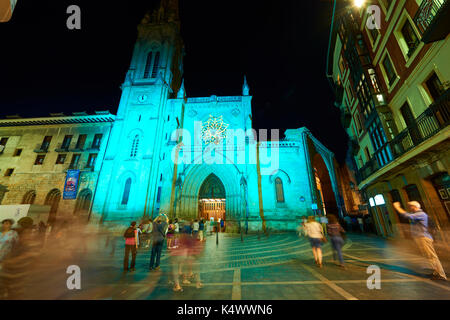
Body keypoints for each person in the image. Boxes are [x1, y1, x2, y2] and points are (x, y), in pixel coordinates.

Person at [393, 201, 447, 281]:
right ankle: (436, 272)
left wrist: (398, 207)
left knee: (432, 256)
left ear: (415, 207)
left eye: (411, 206)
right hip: (421, 238)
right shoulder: (418, 214)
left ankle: (441, 274)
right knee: (428, 256)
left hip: (424, 238)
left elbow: (408, 216)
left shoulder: (420, 214)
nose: (410, 208)